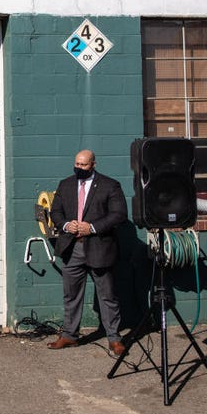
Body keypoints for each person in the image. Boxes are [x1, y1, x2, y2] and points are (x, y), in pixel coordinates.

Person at [47, 149, 127, 355]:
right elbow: (55, 211)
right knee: (71, 294)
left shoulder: (110, 185)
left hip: (99, 247)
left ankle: (114, 338)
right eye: (76, 164)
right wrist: (66, 225)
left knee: (107, 295)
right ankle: (69, 335)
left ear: (93, 164)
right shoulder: (65, 185)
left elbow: (119, 215)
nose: (79, 168)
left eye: (83, 165)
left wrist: (91, 227)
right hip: (72, 248)